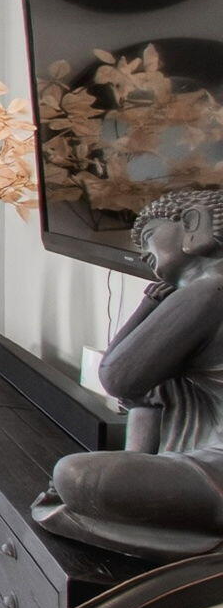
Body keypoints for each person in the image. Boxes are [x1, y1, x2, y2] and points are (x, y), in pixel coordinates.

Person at [33, 188, 223, 560]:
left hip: (216, 475)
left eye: (149, 238)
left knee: (74, 475)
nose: (146, 258)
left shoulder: (209, 289)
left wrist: (148, 305)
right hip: (205, 462)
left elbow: (117, 377)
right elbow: (141, 394)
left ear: (191, 225)